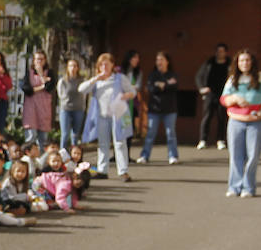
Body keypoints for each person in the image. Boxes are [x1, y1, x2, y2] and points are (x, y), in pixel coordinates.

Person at [221, 49, 261, 198]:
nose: (245, 63)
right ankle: (234, 186)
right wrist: (235, 99)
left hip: (255, 122)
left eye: (247, 60)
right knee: (235, 155)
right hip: (236, 121)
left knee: (252, 156)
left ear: (253, 62)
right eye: (242, 60)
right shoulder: (232, 79)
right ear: (237, 63)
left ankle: (248, 187)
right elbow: (224, 99)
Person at [79, 52, 136, 181]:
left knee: (120, 142)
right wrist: (95, 79)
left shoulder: (119, 78)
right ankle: (102, 170)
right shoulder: (97, 81)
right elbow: (81, 90)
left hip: (117, 115)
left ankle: (123, 171)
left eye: (107, 64)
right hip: (101, 116)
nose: (104, 67)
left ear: (112, 65)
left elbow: (132, 92)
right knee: (103, 143)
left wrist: (125, 96)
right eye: (101, 64)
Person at [139, 51, 180, 164]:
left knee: (170, 134)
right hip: (154, 109)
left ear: (167, 61)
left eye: (161, 59)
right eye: (157, 60)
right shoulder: (153, 75)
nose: (159, 62)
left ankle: (173, 156)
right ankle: (144, 156)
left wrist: (162, 85)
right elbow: (150, 89)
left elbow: (174, 86)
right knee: (150, 134)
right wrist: (165, 85)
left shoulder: (173, 74)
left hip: (170, 110)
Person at [194, 43, 230, 150]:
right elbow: (198, 76)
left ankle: (220, 140)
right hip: (210, 94)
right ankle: (203, 140)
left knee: (221, 117)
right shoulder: (209, 63)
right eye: (218, 51)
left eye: (222, 51)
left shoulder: (230, 64)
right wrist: (201, 88)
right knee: (207, 117)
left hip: (224, 94)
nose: (220, 53)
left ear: (226, 53)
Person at [19, 50, 55, 154]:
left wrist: (40, 75)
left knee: (43, 138)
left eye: (41, 59)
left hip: (44, 108)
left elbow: (49, 87)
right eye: (37, 59)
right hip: (31, 108)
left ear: (45, 60)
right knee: (31, 136)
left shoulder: (50, 73)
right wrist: (41, 87)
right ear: (33, 61)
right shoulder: (28, 72)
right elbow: (27, 89)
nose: (39, 61)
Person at [56, 57, 86, 149]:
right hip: (66, 109)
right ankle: (63, 154)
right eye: (70, 66)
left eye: (75, 66)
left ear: (78, 68)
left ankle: (75, 154)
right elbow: (60, 95)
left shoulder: (82, 80)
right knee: (65, 134)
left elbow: (84, 94)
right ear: (67, 68)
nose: (73, 68)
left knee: (75, 135)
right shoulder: (63, 81)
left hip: (78, 109)